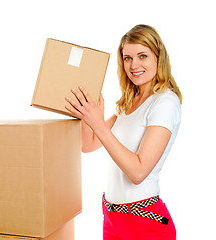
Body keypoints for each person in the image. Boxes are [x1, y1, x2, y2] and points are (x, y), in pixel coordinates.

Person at [65, 24, 182, 239]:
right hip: (112, 217)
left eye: (142, 56)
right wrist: (84, 112)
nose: (134, 65)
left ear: (159, 58)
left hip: (144, 221)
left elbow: (138, 172)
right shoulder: (128, 102)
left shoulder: (165, 102)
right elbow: (88, 144)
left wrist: (98, 123)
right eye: (127, 58)